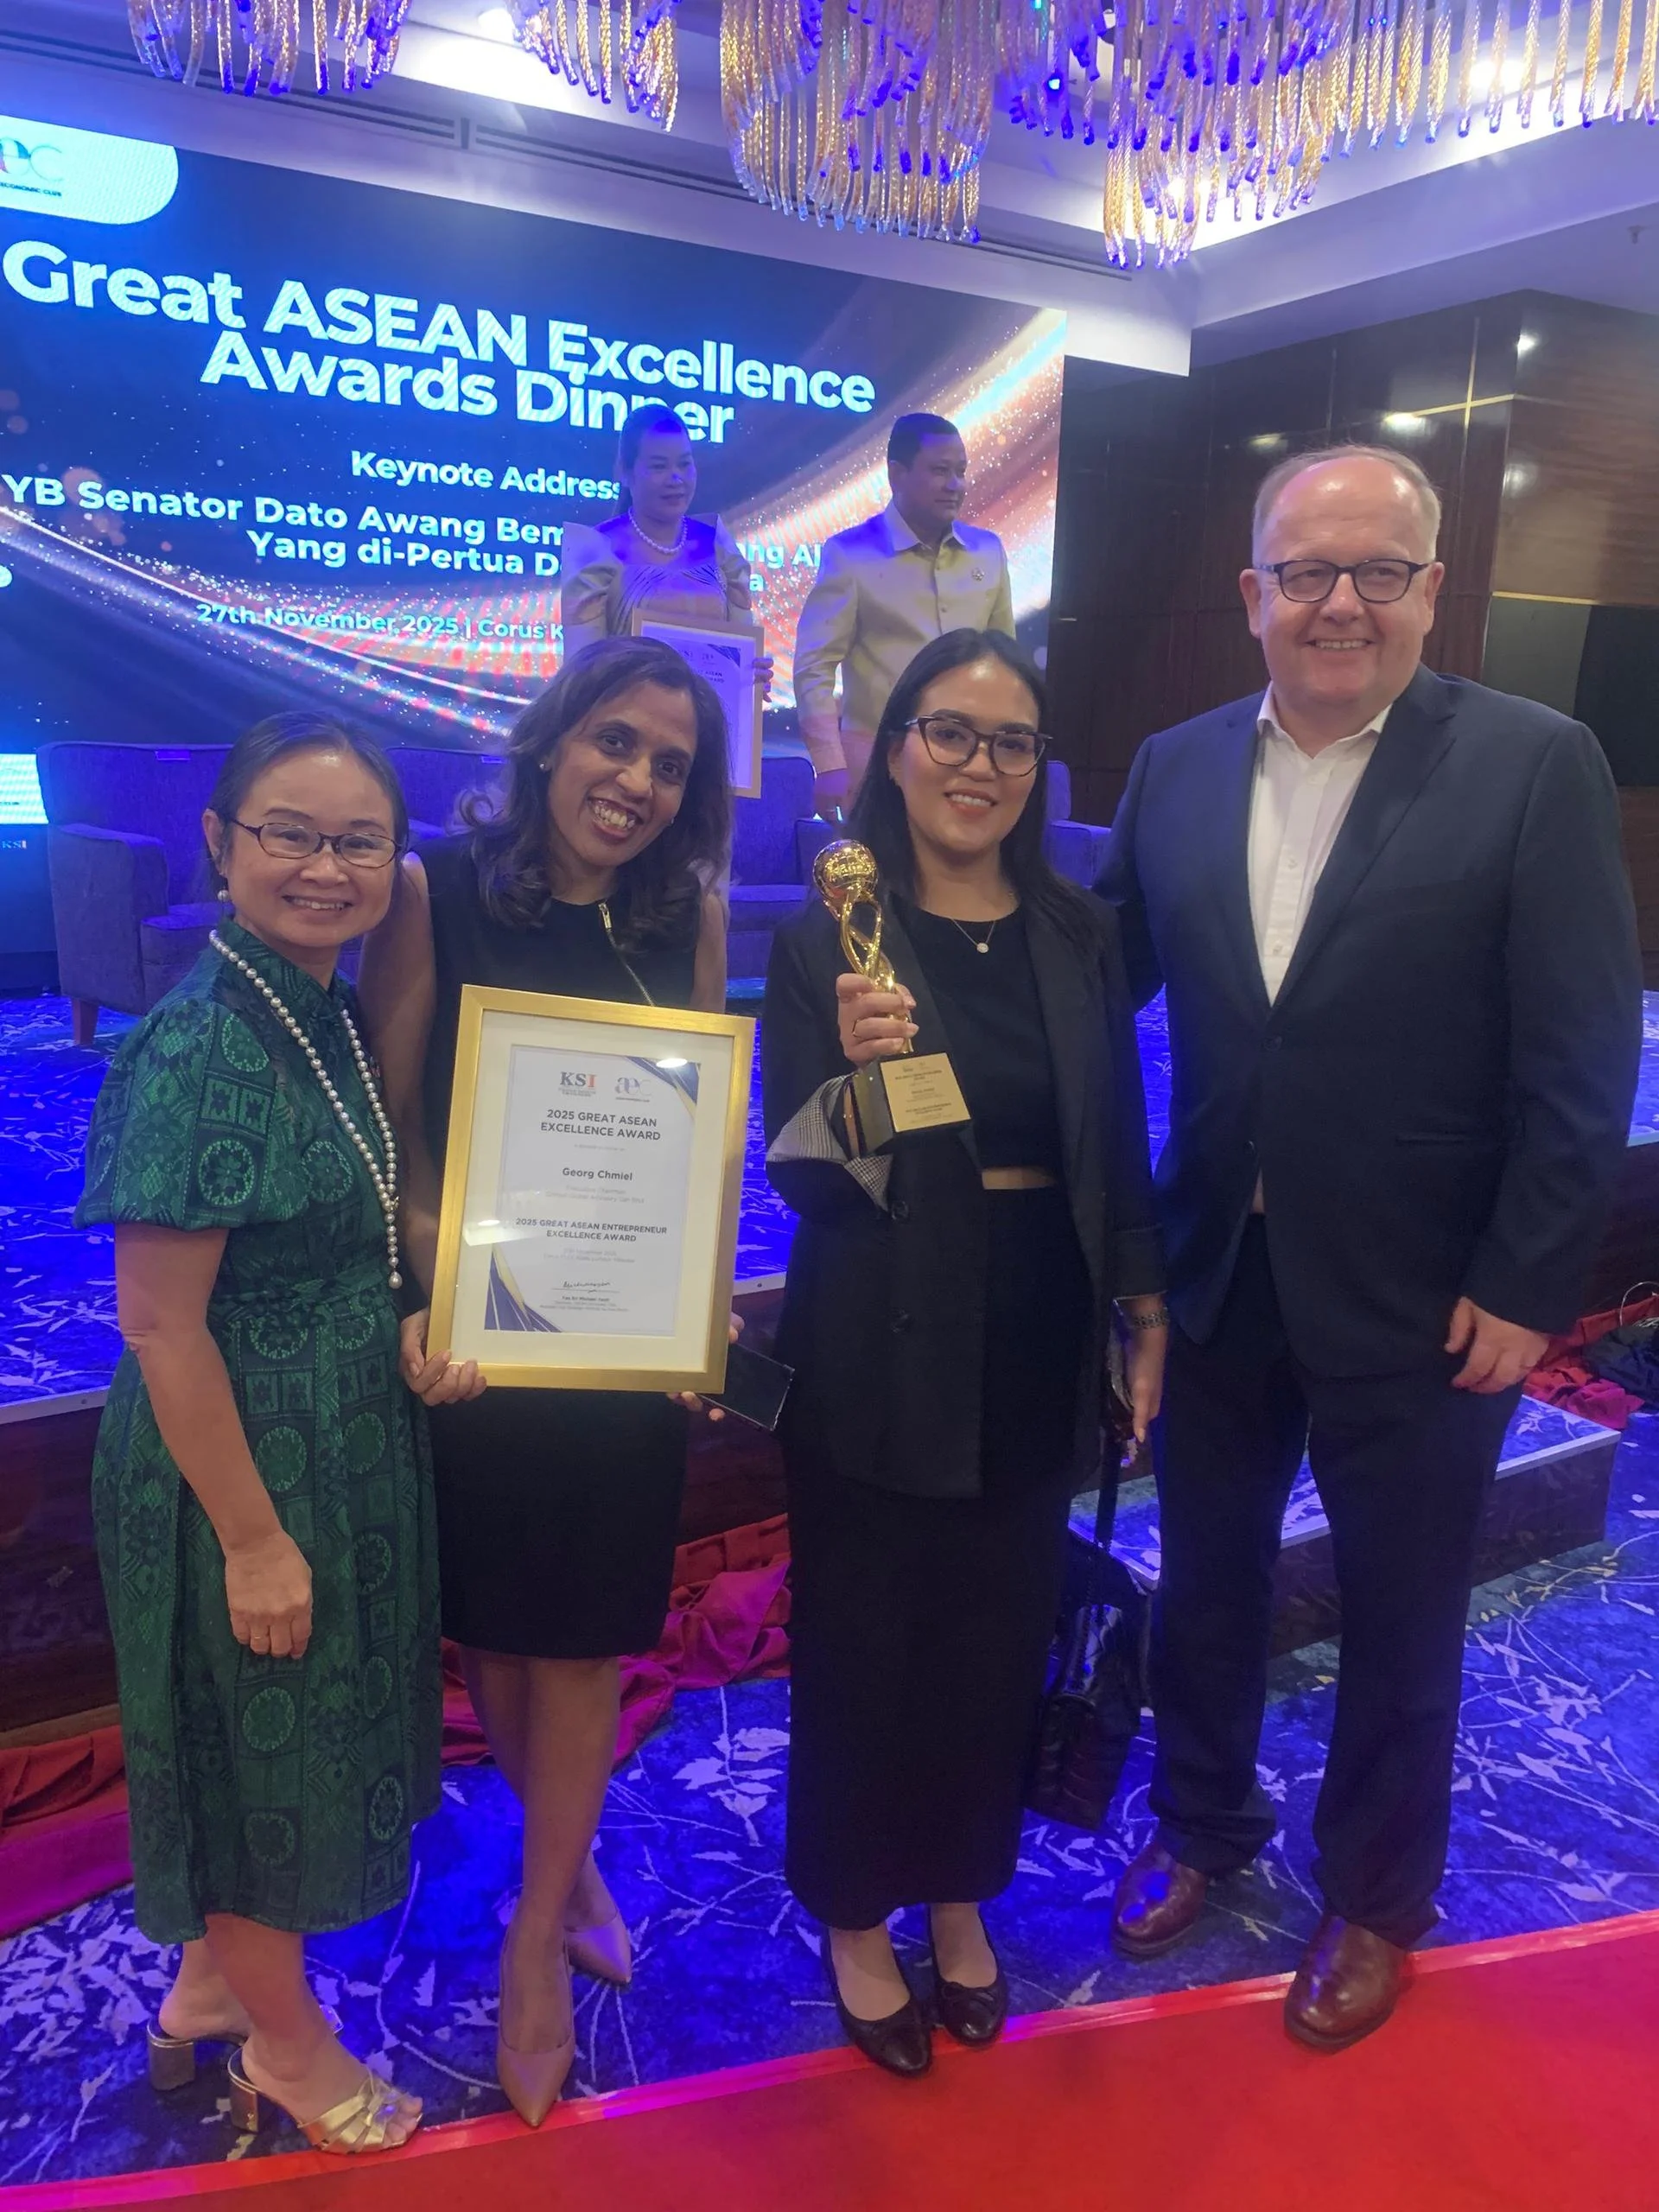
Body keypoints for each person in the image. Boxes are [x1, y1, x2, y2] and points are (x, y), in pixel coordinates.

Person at [1096, 444, 1643, 2051]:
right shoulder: (1174, 766)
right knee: (1202, 1584)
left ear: (1431, 591)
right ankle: (1200, 1824)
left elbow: (1577, 1050)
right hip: (1217, 1269)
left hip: (1430, 1290)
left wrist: (1530, 1278)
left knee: (1404, 1609)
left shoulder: (1531, 763)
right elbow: (1091, 987)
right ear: (1254, 595)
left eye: (1379, 573)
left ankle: (1375, 1895)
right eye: (1308, 574)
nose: (1342, 604)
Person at [76, 716, 482, 2157]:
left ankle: (201, 1994)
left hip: (332, 1438)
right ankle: (296, 2059)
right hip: (232, 1474)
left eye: (359, 840)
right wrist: (252, 1540)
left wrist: (405, 1324)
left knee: (285, 1747)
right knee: (258, 1776)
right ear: (220, 840)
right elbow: (161, 1328)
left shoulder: (307, 1004)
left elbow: (339, 1232)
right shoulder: (199, 1047)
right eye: (289, 835)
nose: (325, 868)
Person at [764, 628, 1166, 2077]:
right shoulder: (829, 935)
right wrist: (864, 1090)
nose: (979, 766)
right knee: (869, 1641)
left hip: (1038, 1312)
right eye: (949, 732)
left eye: (1009, 742)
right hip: (879, 1318)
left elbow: (1115, 1140)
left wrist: (1143, 1312)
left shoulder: (1077, 932)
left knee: (996, 1639)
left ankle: (958, 1899)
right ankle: (856, 1916)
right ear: (893, 747)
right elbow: (799, 1174)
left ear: (1037, 767)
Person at [358, 636, 732, 2126]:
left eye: (669, 764)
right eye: (615, 743)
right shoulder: (429, 893)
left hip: (618, 1347)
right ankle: (568, 1857)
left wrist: (692, 1309)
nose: (635, 782)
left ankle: (533, 1940)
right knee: (501, 1647)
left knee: (580, 1647)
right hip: (479, 1343)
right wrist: (431, 1292)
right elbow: (391, 1128)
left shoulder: (682, 917)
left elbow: (695, 1139)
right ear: (554, 739)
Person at [792, 413, 1014, 818]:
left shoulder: (989, 552)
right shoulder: (850, 554)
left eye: (961, 472)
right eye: (940, 471)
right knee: (879, 881)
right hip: (878, 763)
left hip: (972, 765)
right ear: (897, 474)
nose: (955, 485)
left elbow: (1006, 666)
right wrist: (828, 763)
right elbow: (814, 666)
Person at [559, 403, 761, 659]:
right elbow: (582, 672)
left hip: (711, 701)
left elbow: (741, 652)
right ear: (625, 471)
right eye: (659, 466)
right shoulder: (596, 550)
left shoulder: (717, 542)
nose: (676, 479)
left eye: (684, 464)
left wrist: (751, 674)